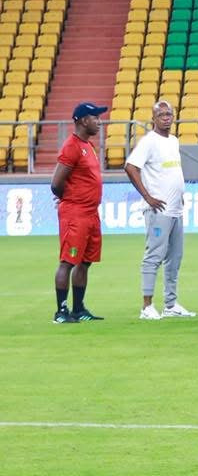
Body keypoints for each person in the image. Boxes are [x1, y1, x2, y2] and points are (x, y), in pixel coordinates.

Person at [124, 100, 193, 319]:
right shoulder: (149, 142)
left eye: (169, 114)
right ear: (153, 118)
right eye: (161, 114)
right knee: (153, 256)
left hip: (175, 209)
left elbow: (171, 172)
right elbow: (130, 167)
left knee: (175, 258)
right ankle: (147, 306)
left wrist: (179, 195)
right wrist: (147, 197)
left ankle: (170, 305)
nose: (166, 118)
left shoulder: (173, 141)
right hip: (158, 210)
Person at [51, 102, 107, 324]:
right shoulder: (71, 147)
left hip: (91, 213)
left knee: (85, 262)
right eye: (95, 118)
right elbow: (56, 183)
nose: (99, 122)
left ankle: (78, 309)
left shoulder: (88, 145)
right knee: (68, 261)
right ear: (83, 120)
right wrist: (69, 199)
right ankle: (61, 311)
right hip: (76, 213)